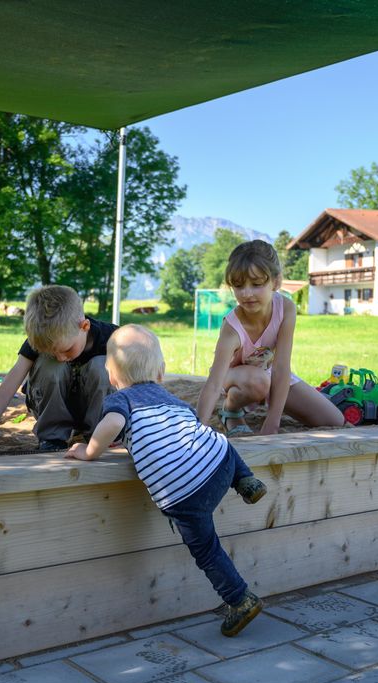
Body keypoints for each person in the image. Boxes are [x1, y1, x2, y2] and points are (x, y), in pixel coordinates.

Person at [65, 324, 267, 637]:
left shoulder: (122, 401)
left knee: (207, 551)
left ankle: (240, 599)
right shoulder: (171, 399)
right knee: (219, 442)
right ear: (161, 372)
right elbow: (173, 429)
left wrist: (90, 451)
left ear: (111, 375)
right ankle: (246, 481)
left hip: (185, 495)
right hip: (218, 465)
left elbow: (114, 423)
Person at [196, 240, 345, 436]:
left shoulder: (286, 308)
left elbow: (282, 368)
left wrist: (272, 421)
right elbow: (214, 384)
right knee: (258, 382)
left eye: (256, 284)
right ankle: (230, 409)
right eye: (239, 286)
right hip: (233, 377)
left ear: (276, 282)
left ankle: (259, 400)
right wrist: (195, 433)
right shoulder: (232, 328)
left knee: (334, 420)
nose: (247, 293)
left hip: (269, 373)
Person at [0, 285, 115, 458]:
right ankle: (52, 438)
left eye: (66, 350)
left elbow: (142, 384)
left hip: (97, 412)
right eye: (53, 352)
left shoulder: (114, 339)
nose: (61, 358)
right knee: (50, 365)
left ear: (84, 326)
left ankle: (101, 435)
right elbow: (5, 390)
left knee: (103, 366)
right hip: (50, 405)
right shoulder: (43, 336)